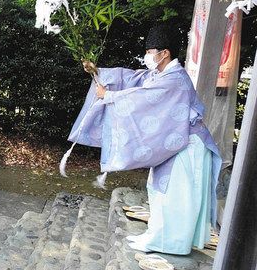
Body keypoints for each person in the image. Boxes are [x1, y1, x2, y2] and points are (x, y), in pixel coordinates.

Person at [73, 24, 221, 255]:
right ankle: (158, 236)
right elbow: (131, 79)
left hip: (188, 145)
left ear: (165, 53)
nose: (148, 56)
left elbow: (142, 98)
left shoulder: (176, 80)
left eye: (151, 51)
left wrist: (109, 96)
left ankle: (170, 243)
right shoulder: (159, 74)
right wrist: (97, 71)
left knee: (176, 194)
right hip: (176, 143)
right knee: (161, 190)